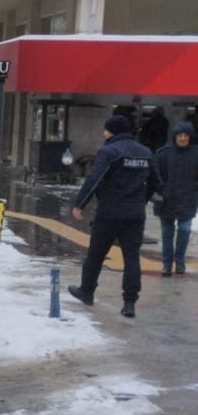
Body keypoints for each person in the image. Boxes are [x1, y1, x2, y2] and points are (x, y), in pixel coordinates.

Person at [67, 115, 158, 318]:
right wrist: (141, 200)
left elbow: (95, 179)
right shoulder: (145, 153)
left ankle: (87, 291)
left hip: (109, 213)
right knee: (132, 258)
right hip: (135, 215)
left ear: (112, 131)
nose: (103, 133)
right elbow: (155, 181)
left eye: (106, 130)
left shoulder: (109, 152)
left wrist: (79, 204)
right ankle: (129, 303)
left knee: (96, 254)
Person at [154, 120, 197, 276]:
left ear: (190, 137)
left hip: (188, 200)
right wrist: (162, 189)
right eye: (180, 135)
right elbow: (155, 174)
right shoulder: (163, 153)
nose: (183, 138)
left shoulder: (196, 154)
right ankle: (166, 264)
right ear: (174, 136)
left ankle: (179, 261)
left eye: (186, 135)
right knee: (167, 234)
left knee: (184, 230)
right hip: (167, 200)